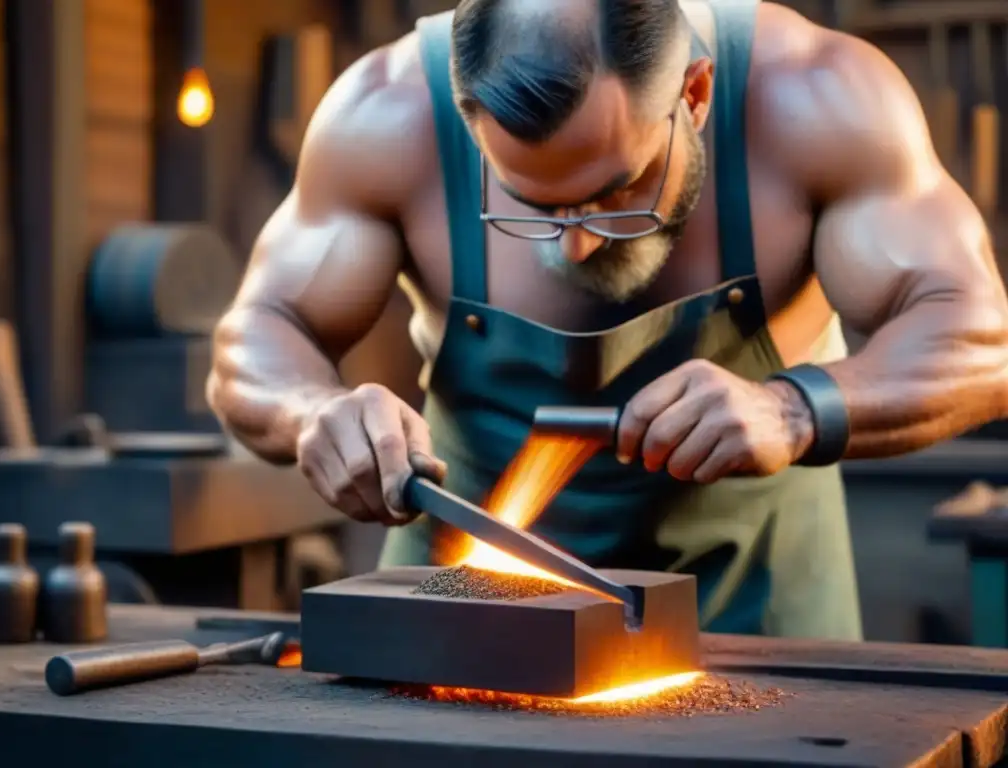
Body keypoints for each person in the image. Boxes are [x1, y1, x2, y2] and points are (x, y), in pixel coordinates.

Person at [208, 0, 1008, 640]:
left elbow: (983, 340)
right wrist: (316, 413)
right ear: (465, 115)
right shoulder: (385, 116)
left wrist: (793, 408)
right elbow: (257, 337)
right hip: (471, 601)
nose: (578, 243)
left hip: (752, 604)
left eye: (618, 190)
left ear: (693, 95)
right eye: (532, 203)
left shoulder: (816, 98)